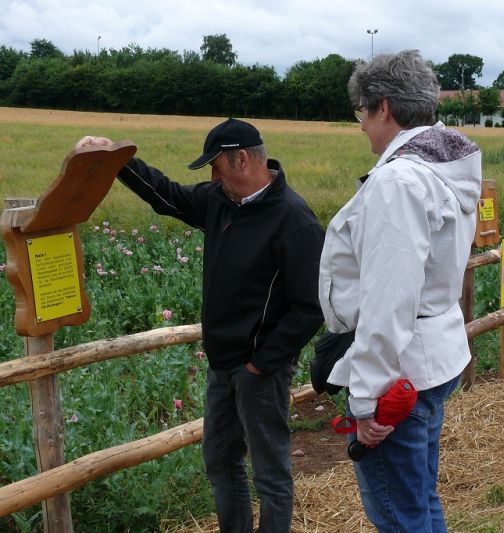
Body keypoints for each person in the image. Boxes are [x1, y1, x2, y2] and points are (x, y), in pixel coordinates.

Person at [76, 119, 325, 532]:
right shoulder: (220, 201)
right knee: (220, 461)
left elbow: (309, 307)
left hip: (260, 372)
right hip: (221, 365)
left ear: (241, 159)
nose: (212, 177)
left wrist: (261, 364)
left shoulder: (293, 220)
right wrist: (119, 160)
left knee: (270, 472)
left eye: (215, 166)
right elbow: (168, 196)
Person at [319, 50, 481, 531]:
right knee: (420, 500)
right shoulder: (442, 166)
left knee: (399, 516)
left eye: (362, 113)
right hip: (432, 354)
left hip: (399, 371)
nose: (361, 125)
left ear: (384, 108)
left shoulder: (399, 181)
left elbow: (389, 300)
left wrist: (367, 397)